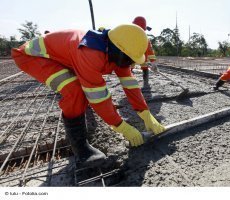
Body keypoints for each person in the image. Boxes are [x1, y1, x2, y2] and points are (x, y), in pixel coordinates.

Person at [11, 24, 166, 168]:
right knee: (75, 91)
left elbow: (130, 85)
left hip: (62, 58)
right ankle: (81, 149)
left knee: (80, 89)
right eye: (129, 60)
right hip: (33, 57)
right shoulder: (90, 52)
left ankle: (82, 143)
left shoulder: (118, 54)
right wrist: (123, 127)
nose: (130, 64)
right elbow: (98, 98)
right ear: (118, 50)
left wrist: (146, 115)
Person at [132, 16, 157, 87]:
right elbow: (150, 51)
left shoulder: (129, 36)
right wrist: (153, 63)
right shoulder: (145, 38)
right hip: (135, 57)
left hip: (133, 57)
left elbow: (149, 51)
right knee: (144, 67)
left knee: (130, 69)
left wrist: (153, 63)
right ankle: (145, 83)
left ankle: (131, 85)